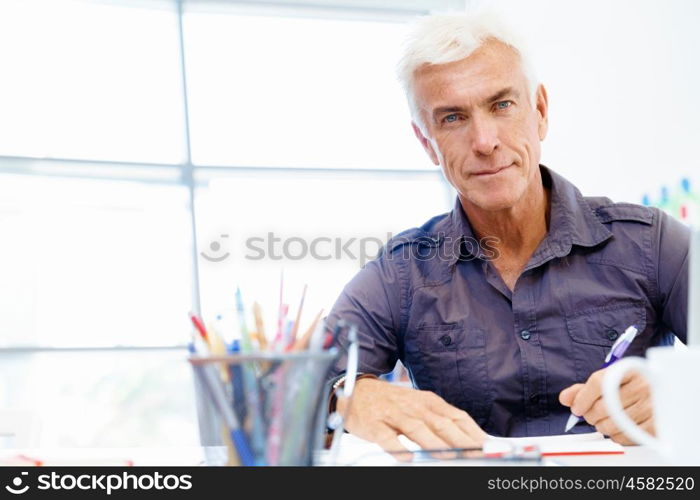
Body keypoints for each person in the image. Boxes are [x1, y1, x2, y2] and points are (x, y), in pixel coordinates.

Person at [325, 10, 689, 458]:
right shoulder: (400, 273)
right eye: (453, 118)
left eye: (501, 105)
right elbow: (281, 397)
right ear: (426, 143)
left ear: (539, 111)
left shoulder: (652, 244)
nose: (484, 141)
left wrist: (681, 394)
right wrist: (349, 398)